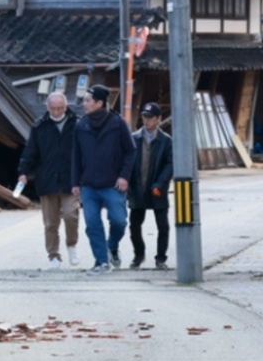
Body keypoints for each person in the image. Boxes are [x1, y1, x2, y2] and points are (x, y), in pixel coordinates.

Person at [72, 84, 136, 274]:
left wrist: (124, 176)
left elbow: (131, 151)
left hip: (113, 184)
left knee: (119, 221)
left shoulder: (117, 123)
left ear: (99, 103)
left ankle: (112, 246)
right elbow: (76, 155)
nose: (84, 104)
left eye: (88, 100)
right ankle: (101, 261)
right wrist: (75, 182)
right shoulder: (81, 125)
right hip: (89, 185)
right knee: (92, 224)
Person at [17, 91, 80, 269]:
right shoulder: (39, 126)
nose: (56, 112)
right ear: (48, 107)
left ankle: (71, 245)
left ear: (66, 107)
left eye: (60, 108)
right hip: (47, 179)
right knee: (50, 222)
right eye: (53, 108)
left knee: (71, 215)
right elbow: (30, 151)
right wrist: (23, 171)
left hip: (70, 179)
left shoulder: (77, 124)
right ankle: (53, 255)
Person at [128, 102, 173, 270]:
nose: (146, 121)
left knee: (163, 226)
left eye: (150, 117)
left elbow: (170, 165)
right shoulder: (134, 138)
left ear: (159, 119)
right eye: (144, 117)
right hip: (137, 188)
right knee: (134, 226)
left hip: (157, 189)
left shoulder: (166, 141)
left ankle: (161, 258)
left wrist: (160, 184)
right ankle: (139, 255)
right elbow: (127, 163)